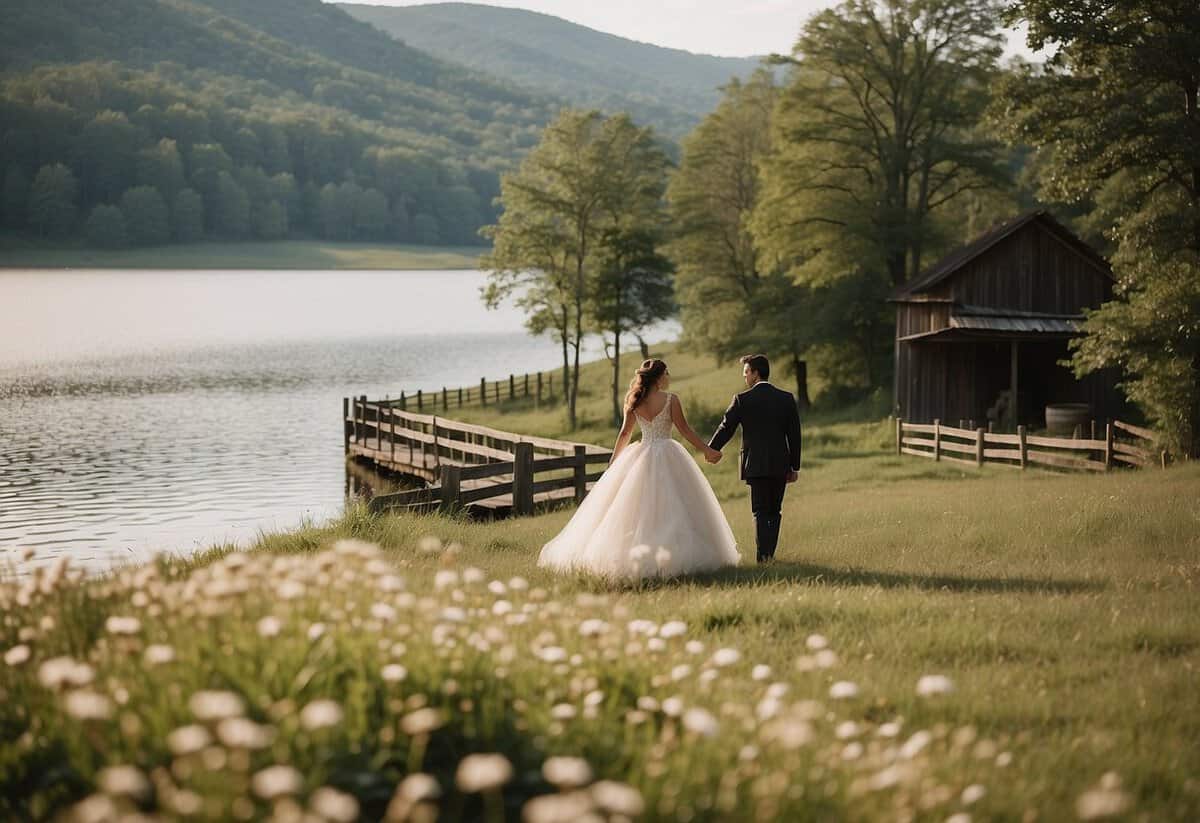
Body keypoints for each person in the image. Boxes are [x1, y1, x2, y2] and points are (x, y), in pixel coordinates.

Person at [538, 358, 740, 579]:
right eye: (666, 373)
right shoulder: (671, 400)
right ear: (659, 378)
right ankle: (671, 558)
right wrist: (706, 450)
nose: (668, 377)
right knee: (674, 505)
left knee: (638, 508)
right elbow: (684, 430)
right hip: (668, 452)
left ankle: (639, 557)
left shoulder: (633, 400)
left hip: (641, 454)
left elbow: (624, 434)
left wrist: (613, 465)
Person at [707, 354, 802, 563]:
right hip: (780, 464)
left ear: (755, 373)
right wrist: (794, 466)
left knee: (760, 511)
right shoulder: (786, 398)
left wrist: (711, 449)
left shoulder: (742, 400)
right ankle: (769, 555)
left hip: (755, 465)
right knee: (774, 511)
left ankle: (763, 557)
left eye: (746, 373)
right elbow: (794, 434)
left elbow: (726, 427)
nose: (745, 377)